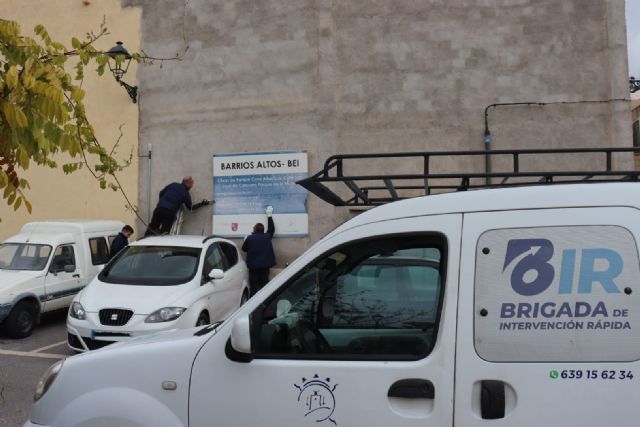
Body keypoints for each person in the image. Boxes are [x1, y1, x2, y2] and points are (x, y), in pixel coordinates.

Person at [144, 176, 211, 236]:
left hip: (159, 209)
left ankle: (144, 242)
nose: (192, 186)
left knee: (152, 228)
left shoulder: (173, 185)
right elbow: (190, 208)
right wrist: (202, 203)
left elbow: (161, 193)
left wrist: (162, 202)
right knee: (164, 233)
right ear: (188, 184)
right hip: (169, 213)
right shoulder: (185, 193)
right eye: (192, 184)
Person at [242, 206, 276, 296]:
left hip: (253, 268)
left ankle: (254, 302)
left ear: (255, 229)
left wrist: (245, 240)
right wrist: (269, 215)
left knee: (253, 287)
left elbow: (244, 249)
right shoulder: (267, 237)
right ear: (262, 230)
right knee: (264, 287)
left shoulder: (250, 238)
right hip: (264, 267)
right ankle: (265, 301)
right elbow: (272, 229)